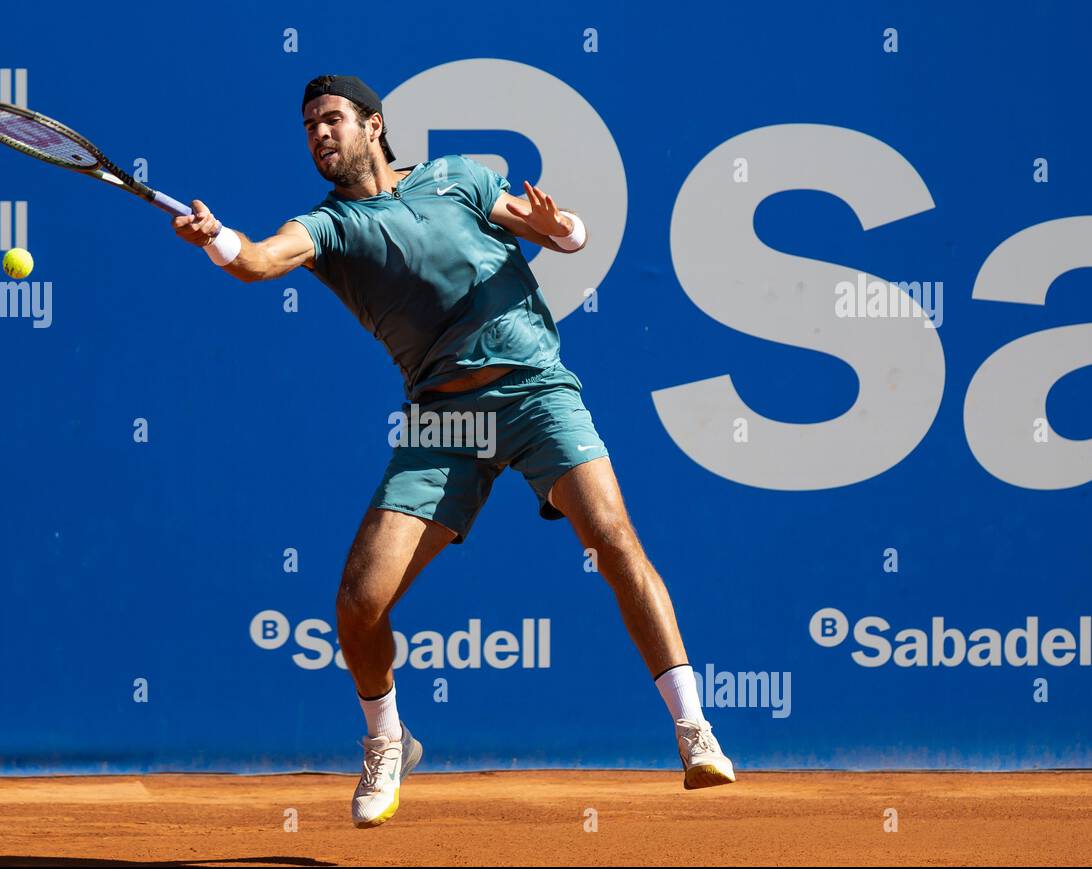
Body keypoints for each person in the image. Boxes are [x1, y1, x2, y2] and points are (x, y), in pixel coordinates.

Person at [172, 74, 736, 829]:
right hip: (446, 420)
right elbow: (259, 259)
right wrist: (217, 239)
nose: (319, 135)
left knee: (611, 537)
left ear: (374, 125)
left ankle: (693, 728)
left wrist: (560, 227)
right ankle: (387, 741)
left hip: (537, 391)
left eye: (332, 119)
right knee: (359, 602)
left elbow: (566, 234)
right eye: (308, 126)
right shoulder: (330, 226)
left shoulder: (458, 177)